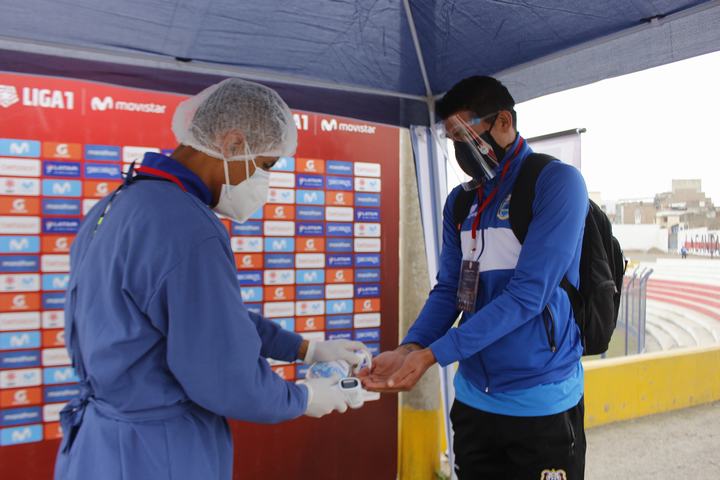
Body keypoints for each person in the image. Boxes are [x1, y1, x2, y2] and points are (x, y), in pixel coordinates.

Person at [55, 78, 369, 480]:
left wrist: (305, 349)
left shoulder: (120, 202)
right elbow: (225, 374)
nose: (265, 183)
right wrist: (303, 397)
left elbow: (205, 317)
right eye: (267, 165)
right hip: (157, 454)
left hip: (97, 448)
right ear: (233, 144)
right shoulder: (187, 225)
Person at [360, 76, 588, 479]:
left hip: (540, 401)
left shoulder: (555, 183)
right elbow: (451, 289)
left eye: (465, 135)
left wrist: (433, 355)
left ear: (503, 121)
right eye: (451, 139)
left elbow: (527, 296)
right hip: (473, 400)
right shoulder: (461, 201)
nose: (459, 149)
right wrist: (411, 346)